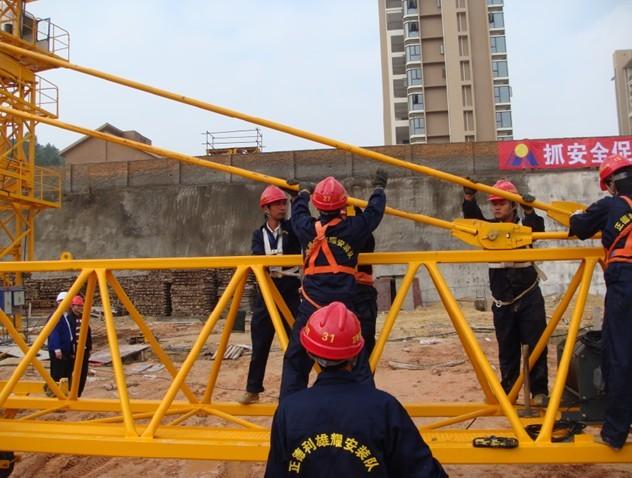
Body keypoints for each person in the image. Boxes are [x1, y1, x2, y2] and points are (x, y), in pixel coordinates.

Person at [265, 301, 447, 477]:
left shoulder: (289, 411)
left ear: (309, 351)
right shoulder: (384, 408)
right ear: (356, 353)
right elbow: (422, 471)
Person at [279, 171, 387, 399]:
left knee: (296, 361)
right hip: (343, 310)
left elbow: (298, 213)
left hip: (311, 306)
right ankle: (366, 411)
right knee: (357, 361)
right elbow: (373, 214)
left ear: (318, 207)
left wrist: (302, 194)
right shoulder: (353, 229)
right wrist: (378, 189)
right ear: (342, 206)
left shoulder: (306, 228)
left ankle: (289, 412)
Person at [462, 179, 548, 405]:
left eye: (501, 203)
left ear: (513, 205)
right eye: (494, 203)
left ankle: (539, 392)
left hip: (528, 295)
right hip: (502, 299)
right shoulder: (488, 231)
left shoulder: (524, 228)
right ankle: (509, 391)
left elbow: (537, 229)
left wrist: (530, 210)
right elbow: (472, 223)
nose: (496, 207)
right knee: (507, 348)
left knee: (536, 344)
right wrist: (469, 199)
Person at [568, 154, 632, 450]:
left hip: (626, 282)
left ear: (609, 184)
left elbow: (579, 226)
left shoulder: (611, 205)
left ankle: (615, 433)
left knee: (619, 355)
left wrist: (576, 215)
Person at [239, 185, 302, 405]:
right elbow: (258, 258)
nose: (282, 207)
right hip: (266, 294)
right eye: (278, 204)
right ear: (266, 208)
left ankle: (292, 392)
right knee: (260, 343)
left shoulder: (293, 229)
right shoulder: (259, 234)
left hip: (289, 293)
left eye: (284, 203)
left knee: (295, 345)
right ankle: (253, 389)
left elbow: (303, 223)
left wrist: (299, 197)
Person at [47, 291, 75, 387]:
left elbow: (70, 334)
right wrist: (57, 349)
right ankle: (55, 392)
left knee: (66, 373)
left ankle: (65, 391)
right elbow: (53, 333)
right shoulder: (56, 316)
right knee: (57, 373)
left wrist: (72, 350)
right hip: (58, 351)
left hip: (66, 350)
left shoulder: (66, 316)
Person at [68, 295, 92, 397]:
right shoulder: (69, 319)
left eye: (80, 306)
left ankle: (78, 394)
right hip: (73, 351)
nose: (78, 308)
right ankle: (70, 393)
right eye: (76, 306)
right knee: (70, 373)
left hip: (83, 351)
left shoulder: (84, 318)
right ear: (72, 306)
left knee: (83, 373)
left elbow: (88, 333)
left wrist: (89, 348)